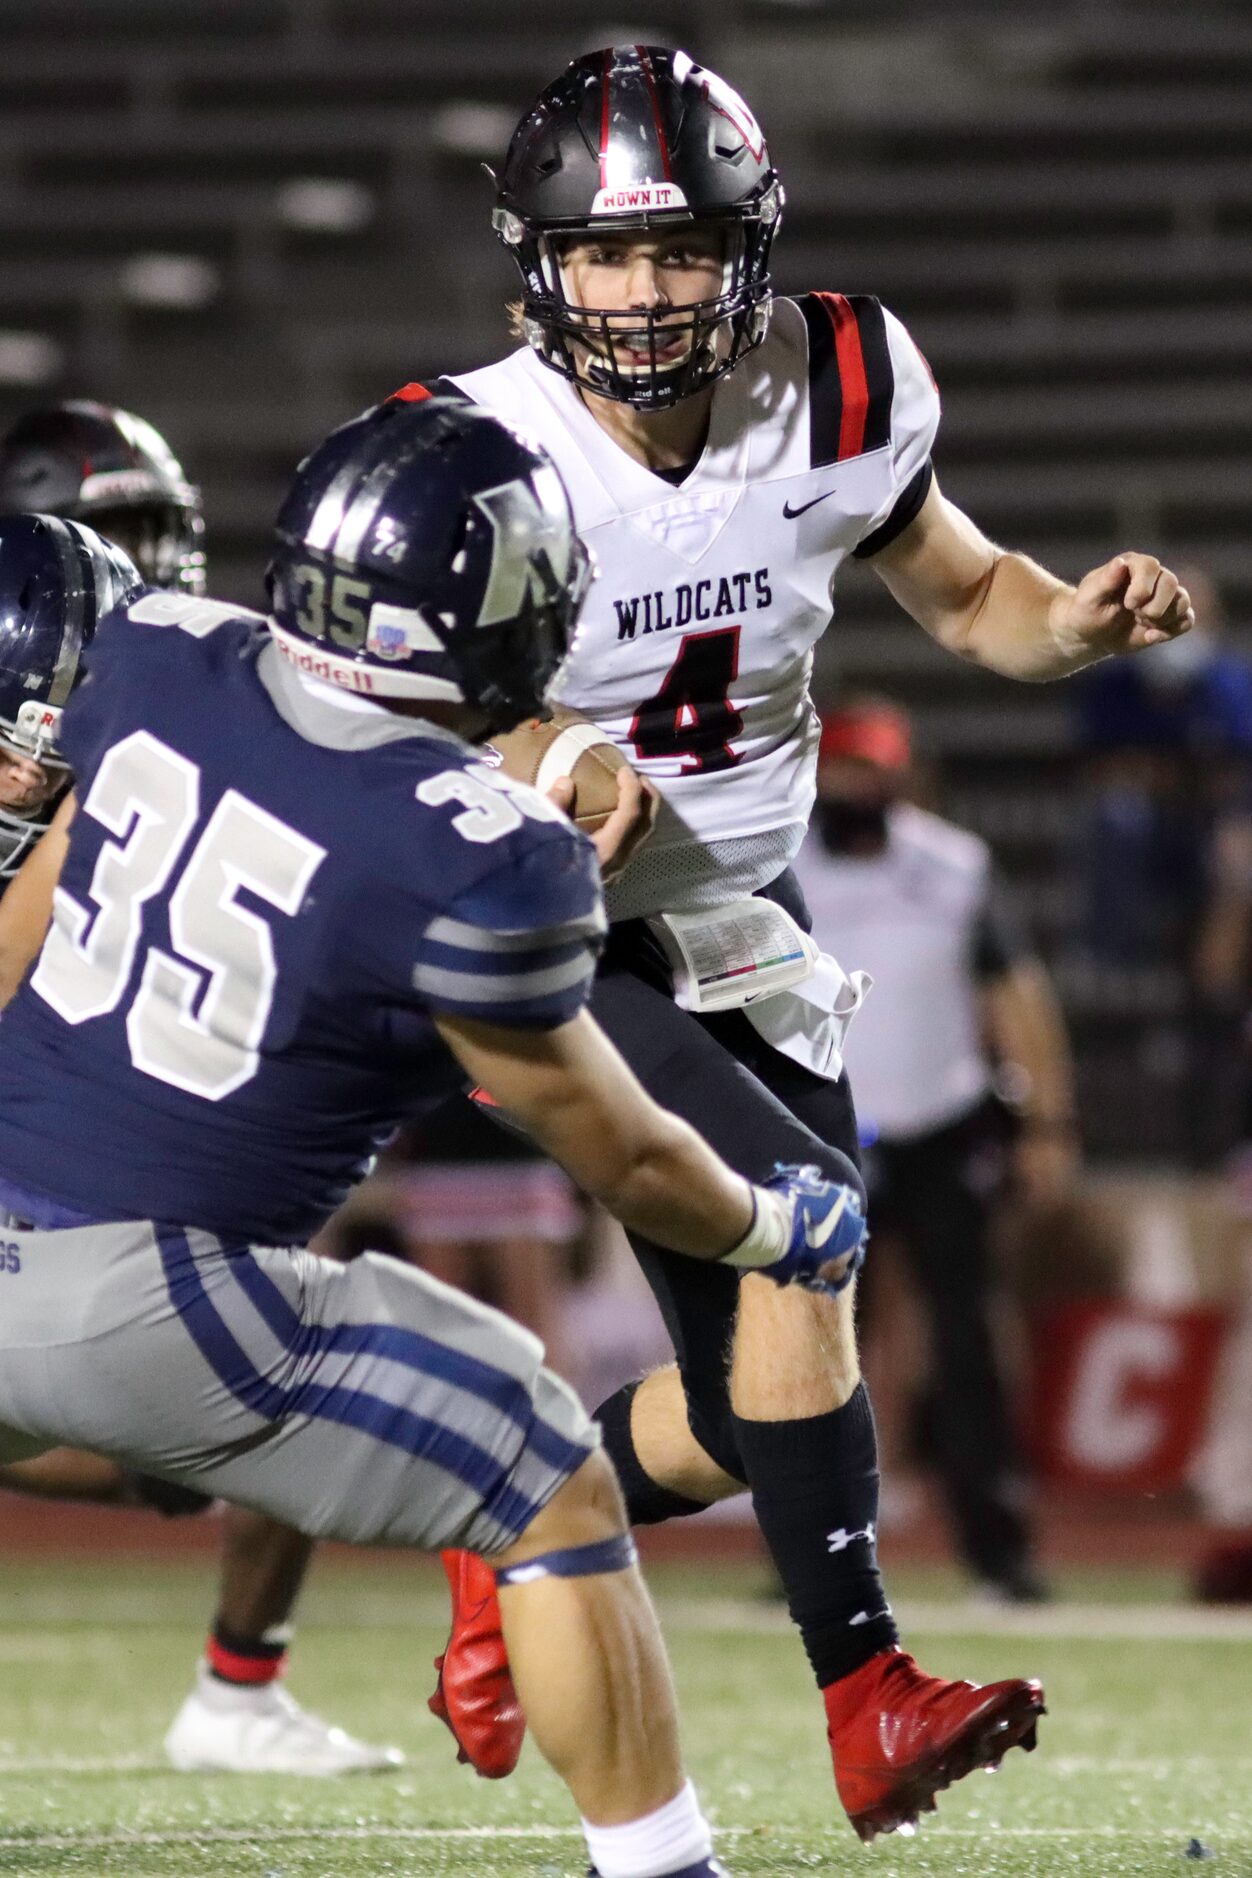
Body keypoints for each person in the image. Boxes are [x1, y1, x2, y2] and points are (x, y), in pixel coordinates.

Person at [407, 45, 1190, 1839]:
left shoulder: (838, 374)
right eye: (600, 257)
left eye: (676, 248)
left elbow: (972, 592)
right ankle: (866, 1692)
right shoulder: (467, 448)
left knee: (755, 1385)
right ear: (537, 263)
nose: (639, 291)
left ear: (743, 249)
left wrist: (1075, 618)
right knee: (809, 1238)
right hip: (546, 927)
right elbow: (388, 706)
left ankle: (504, 1506)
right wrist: (546, 746)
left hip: (740, 924)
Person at [0, 396, 872, 1878]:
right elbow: (618, 1149)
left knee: (166, 1448)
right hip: (144, 1288)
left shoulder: (154, 657)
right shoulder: (483, 849)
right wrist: (775, 1222)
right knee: (543, 1462)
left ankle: (242, 1667)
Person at [0, 400, 400, 1776]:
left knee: (284, 1323)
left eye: (160, 537)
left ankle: (239, 1680)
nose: (138, 576)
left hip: (103, 1154)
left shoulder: (189, 715)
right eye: (109, 540)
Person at [794, 697, 1080, 1601]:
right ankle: (815, 1549)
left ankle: (996, 1547)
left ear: (902, 775)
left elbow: (1014, 992)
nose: (852, 785)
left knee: (968, 1341)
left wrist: (1047, 1121)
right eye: (839, 768)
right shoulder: (779, 862)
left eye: (868, 770)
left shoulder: (954, 865)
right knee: (816, 1349)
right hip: (823, 1127)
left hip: (942, 1120)